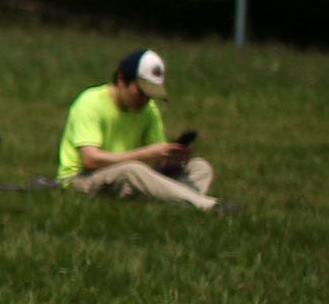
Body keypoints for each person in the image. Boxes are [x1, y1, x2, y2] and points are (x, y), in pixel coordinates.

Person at [57, 49, 218, 209]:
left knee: (200, 167)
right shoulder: (90, 102)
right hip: (82, 178)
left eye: (150, 95)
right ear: (121, 79)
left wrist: (173, 159)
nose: (145, 100)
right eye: (141, 92)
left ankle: (176, 200)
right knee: (132, 170)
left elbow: (157, 161)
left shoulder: (148, 110)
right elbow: (91, 160)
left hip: (127, 176)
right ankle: (204, 204)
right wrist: (145, 155)